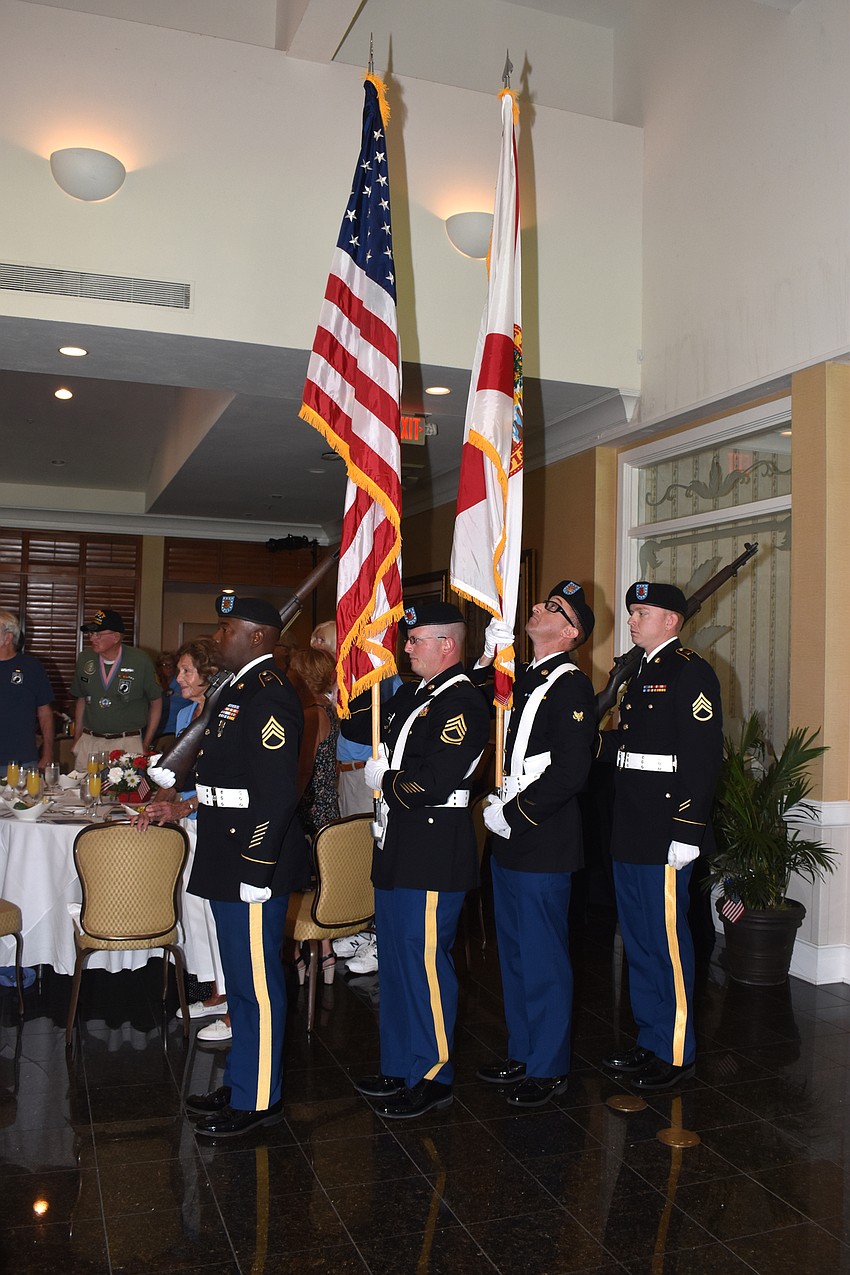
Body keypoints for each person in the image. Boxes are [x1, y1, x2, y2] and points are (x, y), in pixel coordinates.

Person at [340, 601, 491, 1119]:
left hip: (432, 844)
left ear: (446, 645)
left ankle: (431, 1073)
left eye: (414, 640)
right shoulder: (416, 695)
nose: (406, 648)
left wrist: (390, 783)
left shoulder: (464, 700)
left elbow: (441, 774)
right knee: (399, 961)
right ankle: (400, 1061)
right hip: (397, 843)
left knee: (425, 963)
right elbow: (366, 728)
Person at [163, 593, 306, 1139]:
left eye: (227, 629)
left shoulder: (269, 695)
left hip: (251, 855)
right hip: (227, 850)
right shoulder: (238, 688)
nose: (218, 637)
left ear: (256, 637)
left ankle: (260, 1096)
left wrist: (257, 865)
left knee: (258, 984)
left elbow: (274, 794)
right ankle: (245, 1078)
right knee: (240, 980)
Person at [476, 581, 597, 1107]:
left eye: (553, 609)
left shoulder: (569, 686)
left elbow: (571, 772)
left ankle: (548, 1066)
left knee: (544, 956)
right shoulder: (525, 676)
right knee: (516, 953)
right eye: (542, 602)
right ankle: (523, 1050)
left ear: (570, 633)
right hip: (510, 836)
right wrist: (486, 655)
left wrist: (515, 815)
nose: (537, 609)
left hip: (540, 837)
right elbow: (472, 698)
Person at [598, 581, 723, 1092]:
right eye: (631, 611)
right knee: (642, 939)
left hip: (667, 826)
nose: (632, 619)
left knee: (668, 943)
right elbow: (629, 746)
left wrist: (689, 829)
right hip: (631, 822)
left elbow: (701, 754)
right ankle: (650, 1038)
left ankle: (676, 1052)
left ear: (671, 620)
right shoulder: (642, 671)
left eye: (642, 612)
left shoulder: (690, 670)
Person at [135, 637, 229, 1039]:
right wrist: (156, 804)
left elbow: (222, 784)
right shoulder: (186, 712)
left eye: (187, 671)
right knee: (194, 909)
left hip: (214, 822)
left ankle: (233, 1005)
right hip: (189, 821)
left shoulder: (224, 714)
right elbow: (178, 776)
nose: (177, 679)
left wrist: (182, 808)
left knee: (218, 914)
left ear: (209, 674)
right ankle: (214, 992)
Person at [288, 645, 340, 984]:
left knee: (300, 888)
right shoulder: (328, 708)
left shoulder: (310, 714)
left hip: (310, 809)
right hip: (326, 805)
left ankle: (300, 957)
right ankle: (325, 952)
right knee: (321, 885)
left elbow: (301, 771)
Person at [71, 608, 162, 769]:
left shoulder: (140, 660)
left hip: (127, 743)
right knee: (82, 792)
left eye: (98, 634)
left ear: (116, 637)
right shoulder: (85, 659)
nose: (92, 638)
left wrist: (146, 742)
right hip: (90, 741)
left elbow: (156, 701)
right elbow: (81, 699)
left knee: (125, 793)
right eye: (91, 634)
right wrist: (77, 738)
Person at [0, 610, 55, 772]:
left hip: (22, 760)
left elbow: (45, 712)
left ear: (8, 638)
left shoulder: (31, 667)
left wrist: (48, 752)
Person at [155, 651, 190, 743]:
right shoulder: (154, 684)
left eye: (171, 665)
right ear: (159, 667)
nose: (168, 668)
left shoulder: (183, 685)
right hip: (154, 732)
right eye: (164, 664)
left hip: (175, 733)